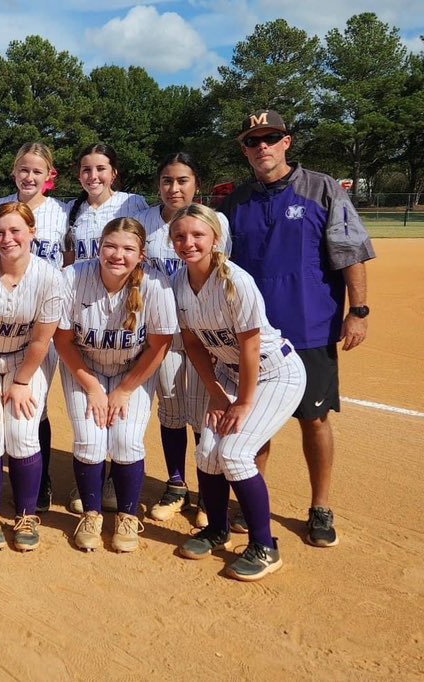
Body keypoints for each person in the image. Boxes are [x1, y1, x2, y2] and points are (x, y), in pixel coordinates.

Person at [221, 109, 375, 547]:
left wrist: (358, 312)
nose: (262, 147)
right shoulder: (236, 201)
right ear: (244, 148)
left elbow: (351, 250)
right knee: (253, 421)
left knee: (315, 419)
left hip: (309, 328)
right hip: (253, 334)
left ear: (287, 142)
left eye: (271, 138)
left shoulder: (321, 188)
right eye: (253, 141)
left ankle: (320, 506)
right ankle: (253, 502)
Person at [170, 203, 307, 581]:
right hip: (231, 376)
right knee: (207, 453)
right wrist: (216, 393)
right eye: (180, 236)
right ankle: (217, 529)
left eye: (198, 235)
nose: (188, 243)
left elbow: (249, 345)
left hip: (275, 372)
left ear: (216, 238)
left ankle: (265, 546)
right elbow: (194, 344)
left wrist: (243, 403)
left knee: (235, 451)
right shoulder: (180, 282)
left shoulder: (235, 280)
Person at [54, 218, 177, 553]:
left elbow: (159, 345)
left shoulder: (155, 284)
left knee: (125, 442)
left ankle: (126, 514)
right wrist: (93, 387)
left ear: (141, 255)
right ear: (98, 247)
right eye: (110, 245)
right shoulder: (73, 277)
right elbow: (63, 341)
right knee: (91, 443)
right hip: (84, 366)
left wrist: (124, 390)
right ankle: (92, 514)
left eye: (128, 249)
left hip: (133, 371)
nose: (117, 255)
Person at [0, 202, 63, 551]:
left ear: (32, 232)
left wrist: (21, 382)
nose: (7, 238)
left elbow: (41, 338)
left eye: (16, 230)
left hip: (27, 359)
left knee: (21, 433)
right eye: (0, 232)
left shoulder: (49, 275)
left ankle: (25, 513)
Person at [135, 153, 231, 524]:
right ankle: (176, 484)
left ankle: (208, 489)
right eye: (166, 181)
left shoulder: (214, 221)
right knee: (171, 411)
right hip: (161, 332)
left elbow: (219, 275)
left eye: (182, 180)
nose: (174, 188)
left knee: (204, 412)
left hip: (203, 332)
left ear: (196, 184)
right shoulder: (145, 220)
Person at [63, 142, 149, 514]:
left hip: (128, 303)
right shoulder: (73, 209)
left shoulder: (134, 205)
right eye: (86, 169)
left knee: (126, 428)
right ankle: (92, 482)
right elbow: (68, 257)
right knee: (90, 424)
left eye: (101, 169)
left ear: (114, 172)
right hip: (86, 305)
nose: (93, 176)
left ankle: (120, 478)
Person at [0, 142, 68, 512]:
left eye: (37, 171)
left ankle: (41, 480)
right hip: (6, 318)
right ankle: (8, 468)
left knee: (35, 405)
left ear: (48, 175)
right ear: (14, 172)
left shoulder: (62, 212)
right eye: (24, 169)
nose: (29, 176)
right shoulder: (0, 207)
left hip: (45, 320)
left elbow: (69, 259)